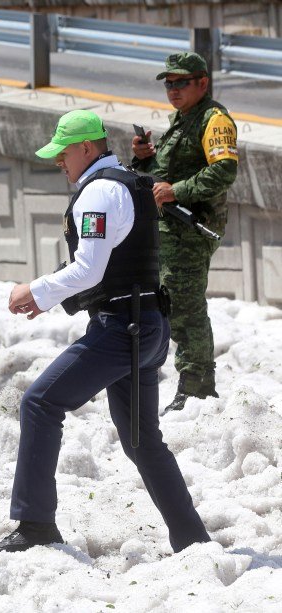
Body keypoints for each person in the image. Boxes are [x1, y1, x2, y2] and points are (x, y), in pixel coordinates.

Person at [0, 110, 210, 555]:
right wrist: (47, 295)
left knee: (40, 402)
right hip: (146, 327)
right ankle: (193, 541)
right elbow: (106, 266)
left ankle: (34, 525)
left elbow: (89, 269)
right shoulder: (125, 182)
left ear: (87, 147)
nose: (58, 162)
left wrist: (33, 289)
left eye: (63, 153)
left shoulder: (100, 192)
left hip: (122, 330)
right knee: (142, 440)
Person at [131, 52, 238, 412]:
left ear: (202, 83)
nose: (173, 90)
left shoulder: (214, 120)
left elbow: (224, 171)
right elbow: (164, 172)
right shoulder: (182, 119)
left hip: (192, 229)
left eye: (181, 82)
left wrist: (178, 190)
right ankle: (192, 384)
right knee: (173, 304)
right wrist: (145, 158)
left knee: (186, 308)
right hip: (171, 229)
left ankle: (198, 388)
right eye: (168, 83)